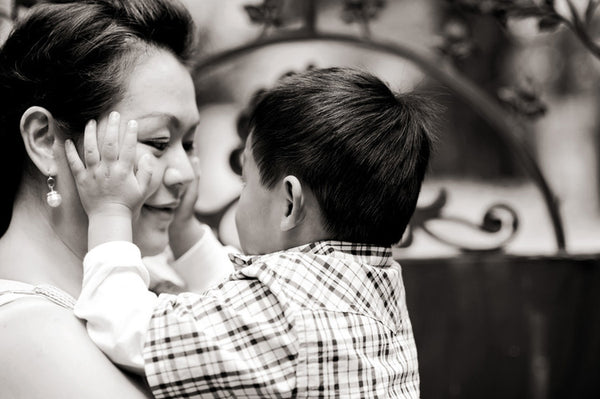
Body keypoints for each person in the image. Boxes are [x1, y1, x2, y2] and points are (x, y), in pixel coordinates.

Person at [71, 67, 437, 398]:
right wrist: (183, 230)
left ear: (290, 203)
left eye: (245, 181)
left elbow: (128, 330)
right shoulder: (371, 285)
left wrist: (110, 210)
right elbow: (233, 299)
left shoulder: (284, 311)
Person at [0, 1, 232, 397]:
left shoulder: (153, 278)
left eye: (189, 143)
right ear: (43, 139)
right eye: (158, 142)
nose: (186, 173)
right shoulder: (25, 331)